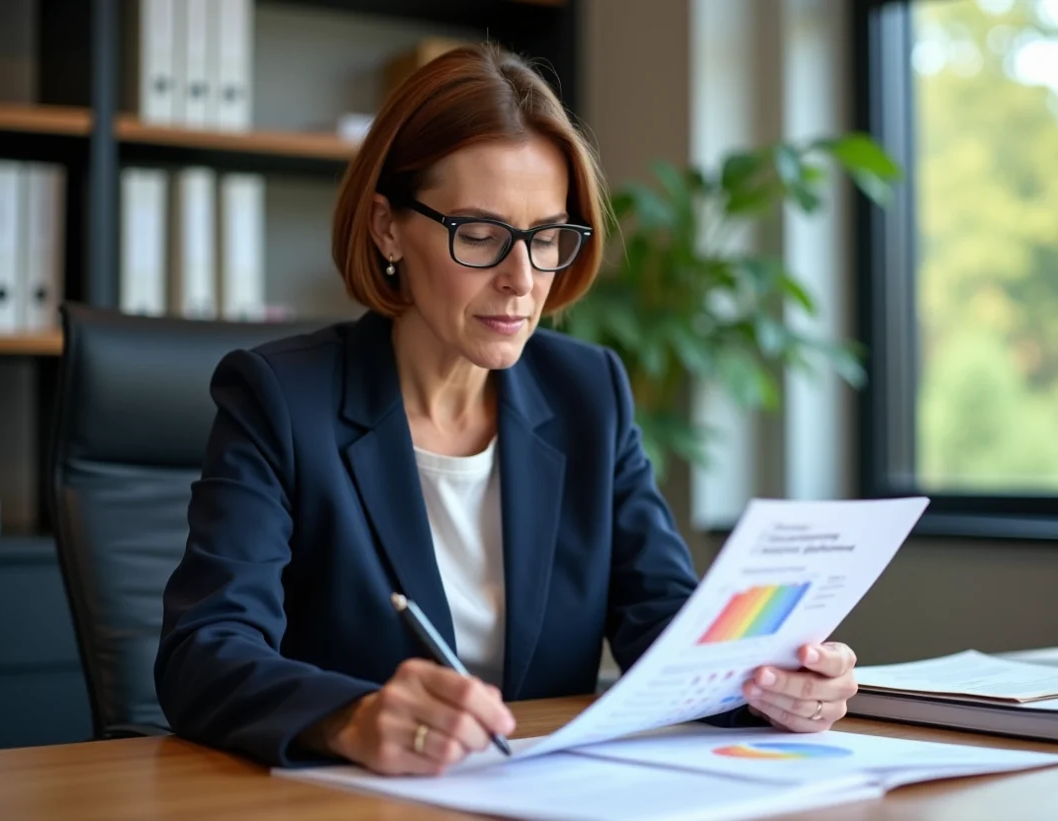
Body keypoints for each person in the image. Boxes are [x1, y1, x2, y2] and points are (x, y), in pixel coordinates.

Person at [154, 43, 859, 776]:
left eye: (549, 236)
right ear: (387, 227)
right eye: (481, 235)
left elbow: (669, 631)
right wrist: (350, 717)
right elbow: (204, 653)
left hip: (546, 793)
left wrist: (775, 683)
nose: (523, 280)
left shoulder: (589, 392)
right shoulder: (280, 398)